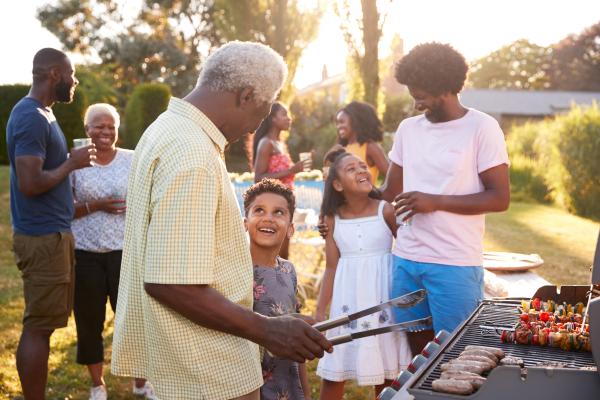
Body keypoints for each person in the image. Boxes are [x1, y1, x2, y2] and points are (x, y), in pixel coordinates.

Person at [111, 41, 332, 400]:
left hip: (191, 358)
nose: (252, 129)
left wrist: (275, 322)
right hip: (206, 368)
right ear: (246, 95)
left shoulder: (164, 129)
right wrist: (268, 331)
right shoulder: (192, 153)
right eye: (260, 115)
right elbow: (170, 282)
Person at [380, 42, 510, 355]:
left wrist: (435, 201)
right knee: (418, 358)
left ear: (445, 88)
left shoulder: (482, 127)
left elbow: (499, 198)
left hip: (453, 263)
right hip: (406, 260)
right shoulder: (408, 130)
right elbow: (389, 192)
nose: (415, 104)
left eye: (420, 95)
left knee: (456, 355)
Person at [6, 48, 95, 399]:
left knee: (44, 325)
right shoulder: (30, 116)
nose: (75, 81)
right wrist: (70, 165)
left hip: (54, 235)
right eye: (71, 74)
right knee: (39, 327)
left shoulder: (44, 114)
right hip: (42, 238)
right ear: (55, 74)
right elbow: (30, 183)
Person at [70, 103, 155, 400]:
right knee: (90, 320)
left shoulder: (133, 159)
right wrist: (97, 205)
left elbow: (150, 195)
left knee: (133, 318)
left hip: (125, 253)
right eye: (98, 126)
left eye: (111, 126)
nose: (105, 132)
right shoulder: (75, 162)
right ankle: (97, 384)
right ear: (87, 130)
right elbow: (62, 209)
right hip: (86, 254)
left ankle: (141, 382)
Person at [315, 150, 411, 399]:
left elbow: (405, 251)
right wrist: (319, 311)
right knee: (335, 370)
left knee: (388, 372)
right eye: (351, 169)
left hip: (383, 299)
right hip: (348, 302)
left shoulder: (386, 210)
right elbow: (331, 267)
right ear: (337, 185)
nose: (361, 170)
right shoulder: (331, 219)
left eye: (362, 166)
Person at [243, 179, 311, 400]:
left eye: (279, 212)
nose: (268, 218)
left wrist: (306, 393)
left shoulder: (288, 270)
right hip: (249, 386)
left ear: (291, 228)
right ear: (245, 222)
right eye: (259, 210)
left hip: (286, 384)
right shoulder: (237, 271)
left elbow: (294, 333)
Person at [251, 102, 310, 259]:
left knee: (284, 251)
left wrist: (295, 170)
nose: (289, 118)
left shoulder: (281, 144)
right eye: (284, 114)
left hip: (286, 203)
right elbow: (258, 177)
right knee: (276, 254)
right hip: (273, 207)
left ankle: (283, 282)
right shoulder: (266, 143)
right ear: (272, 119)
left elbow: (284, 174)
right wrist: (291, 170)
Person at [335, 101, 389, 183]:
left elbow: (391, 176)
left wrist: (379, 193)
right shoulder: (342, 148)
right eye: (337, 123)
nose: (338, 126)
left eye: (342, 122)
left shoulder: (370, 147)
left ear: (355, 121)